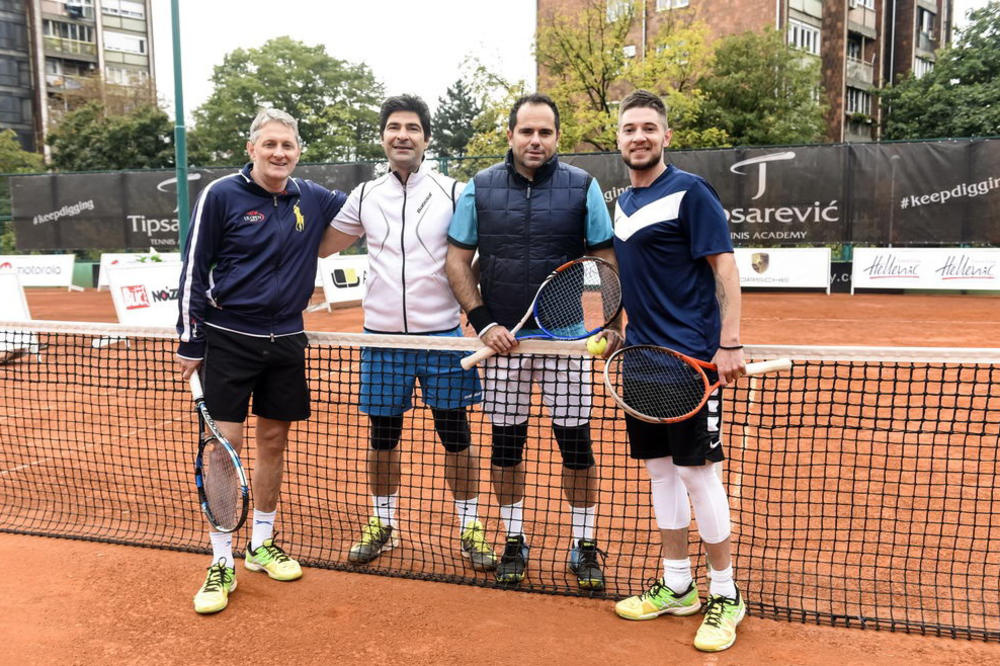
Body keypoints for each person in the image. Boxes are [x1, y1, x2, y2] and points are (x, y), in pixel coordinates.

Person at [445, 93, 621, 590]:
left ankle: (584, 543)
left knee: (576, 446)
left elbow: (606, 259)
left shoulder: (583, 187)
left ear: (557, 137)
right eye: (527, 131)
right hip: (503, 344)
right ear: (511, 135)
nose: (536, 141)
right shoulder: (479, 188)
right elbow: (457, 261)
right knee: (506, 446)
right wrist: (482, 322)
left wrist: (611, 321)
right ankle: (514, 539)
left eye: (545, 132)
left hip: (565, 342)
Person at [176, 108, 347, 614]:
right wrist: (189, 340)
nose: (279, 153)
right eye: (270, 144)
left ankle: (261, 543)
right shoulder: (221, 194)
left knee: (274, 439)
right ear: (251, 149)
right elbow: (193, 265)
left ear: (298, 152)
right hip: (228, 338)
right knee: (223, 447)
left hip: (288, 339)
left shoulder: (312, 197)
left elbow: (364, 210)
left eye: (288, 146)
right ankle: (221, 558)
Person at [318, 95, 497, 571]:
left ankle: (470, 526)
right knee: (382, 438)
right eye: (394, 127)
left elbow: (475, 254)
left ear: (427, 138)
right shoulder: (364, 196)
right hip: (380, 340)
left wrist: (469, 295)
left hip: (441, 338)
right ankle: (383, 524)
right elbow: (321, 247)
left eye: (413, 128)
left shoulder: (452, 191)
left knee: (456, 435)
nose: (403, 135)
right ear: (383, 136)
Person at [608, 89, 747, 652]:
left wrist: (729, 342)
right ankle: (677, 586)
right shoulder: (621, 203)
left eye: (648, 128)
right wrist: (616, 327)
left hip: (690, 363)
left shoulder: (691, 192)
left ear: (666, 136)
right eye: (629, 129)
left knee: (697, 475)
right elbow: (629, 276)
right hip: (639, 361)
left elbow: (726, 269)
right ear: (619, 140)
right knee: (660, 475)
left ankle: (726, 594)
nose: (638, 136)